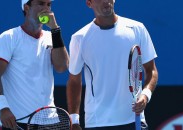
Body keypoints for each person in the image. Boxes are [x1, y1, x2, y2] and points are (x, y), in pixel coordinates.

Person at [66, 0, 158, 130]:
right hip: (98, 122)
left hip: (134, 119)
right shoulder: (79, 38)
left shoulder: (137, 29)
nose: (105, 1)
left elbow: (151, 70)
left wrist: (145, 95)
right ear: (89, 3)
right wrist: (74, 120)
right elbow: (74, 80)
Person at [0, 0, 69, 129]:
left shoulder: (51, 37)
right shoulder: (9, 37)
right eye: (41, 4)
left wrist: (55, 29)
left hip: (49, 121)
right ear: (27, 7)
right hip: (18, 120)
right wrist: (3, 108)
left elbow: (62, 67)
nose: (46, 9)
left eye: (49, 5)